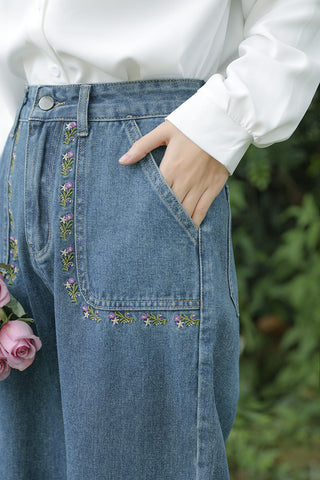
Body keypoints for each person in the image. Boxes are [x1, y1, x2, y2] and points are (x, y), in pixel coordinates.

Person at [0, 1, 319, 479]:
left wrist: (224, 122)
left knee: (145, 460)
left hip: (141, 153)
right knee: (23, 455)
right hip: (18, 155)